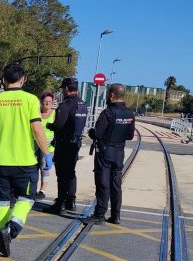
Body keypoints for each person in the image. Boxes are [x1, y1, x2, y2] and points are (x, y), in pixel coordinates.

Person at [0, 63, 49, 257]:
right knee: (26, 198)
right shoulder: (30, 100)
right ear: (23, 79)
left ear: (4, 80)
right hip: (24, 162)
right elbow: (37, 129)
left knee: (0, 201)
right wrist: (46, 153)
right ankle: (11, 230)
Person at [82, 84, 135, 225]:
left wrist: (91, 132)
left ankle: (99, 214)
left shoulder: (108, 113)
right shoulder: (129, 113)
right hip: (119, 152)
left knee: (103, 183)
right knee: (116, 183)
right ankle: (116, 215)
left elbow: (97, 133)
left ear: (111, 95)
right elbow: (130, 136)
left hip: (105, 152)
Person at [44, 77, 88, 215]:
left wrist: (49, 125)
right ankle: (71, 201)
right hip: (76, 142)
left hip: (65, 143)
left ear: (67, 89)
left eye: (63, 88)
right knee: (71, 172)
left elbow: (58, 125)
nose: (62, 91)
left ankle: (60, 203)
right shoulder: (83, 104)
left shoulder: (66, 105)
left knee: (62, 174)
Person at [37, 92, 55, 200]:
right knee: (33, 167)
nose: (47, 103)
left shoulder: (54, 114)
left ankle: (42, 191)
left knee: (44, 167)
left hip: (49, 145)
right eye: (45, 101)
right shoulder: (37, 113)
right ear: (41, 102)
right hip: (36, 143)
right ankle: (32, 189)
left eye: (50, 101)